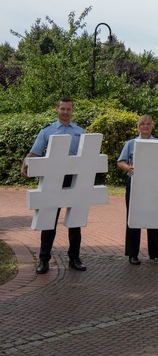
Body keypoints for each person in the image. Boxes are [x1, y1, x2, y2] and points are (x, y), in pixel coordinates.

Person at [21, 97, 87, 274]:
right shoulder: (47, 131)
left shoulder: (81, 132)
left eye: (68, 109)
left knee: (75, 221)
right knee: (49, 219)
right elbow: (35, 152)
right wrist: (25, 164)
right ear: (56, 109)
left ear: (73, 111)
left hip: (74, 179)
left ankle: (74, 258)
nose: (65, 112)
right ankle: (44, 260)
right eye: (62, 109)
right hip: (52, 179)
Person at [117, 115, 158, 265]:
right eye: (143, 124)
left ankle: (154, 252)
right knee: (133, 217)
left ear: (152, 126)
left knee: (153, 216)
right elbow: (120, 161)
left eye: (148, 124)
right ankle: (133, 253)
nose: (145, 127)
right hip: (134, 183)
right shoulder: (130, 143)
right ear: (138, 126)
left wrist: (157, 168)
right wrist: (128, 167)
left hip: (153, 184)